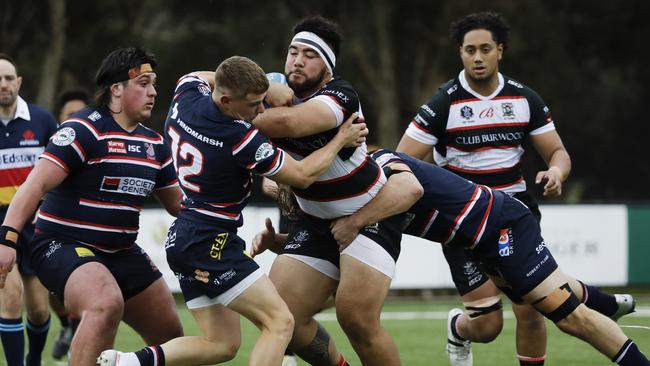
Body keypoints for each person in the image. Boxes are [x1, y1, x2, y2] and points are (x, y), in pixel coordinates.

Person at [395, 11, 634, 366]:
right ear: (460, 53)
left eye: (485, 49)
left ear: (500, 51)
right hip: (463, 219)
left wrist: (556, 171)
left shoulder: (524, 100)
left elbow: (557, 152)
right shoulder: (443, 103)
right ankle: (461, 328)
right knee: (488, 325)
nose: (477, 57)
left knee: (533, 307)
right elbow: (403, 161)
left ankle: (601, 303)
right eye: (469, 50)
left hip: (514, 212)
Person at [96, 55, 367, 366]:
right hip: (211, 241)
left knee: (220, 345)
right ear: (226, 100)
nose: (261, 111)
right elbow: (303, 174)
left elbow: (198, 73)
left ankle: (128, 362)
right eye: (254, 104)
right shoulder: (240, 138)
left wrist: (263, 86)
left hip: (183, 239)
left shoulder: (185, 97)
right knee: (280, 322)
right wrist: (340, 140)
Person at [325, 148, 650, 366]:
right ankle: (607, 303)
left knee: (568, 315)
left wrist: (353, 223)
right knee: (495, 321)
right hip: (479, 245)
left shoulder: (382, 164)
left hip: (504, 226)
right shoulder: (353, 197)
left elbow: (410, 190)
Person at [0, 47, 184, 366]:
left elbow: (180, 205)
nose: (153, 91)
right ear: (116, 89)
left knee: (174, 340)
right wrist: (7, 239)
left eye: (154, 83)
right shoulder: (84, 128)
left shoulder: (155, 144)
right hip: (63, 245)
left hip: (122, 252)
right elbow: (36, 184)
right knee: (104, 302)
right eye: (143, 83)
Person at [252, 16, 406, 366]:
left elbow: (293, 123)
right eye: (293, 52)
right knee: (280, 315)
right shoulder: (272, 101)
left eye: (310, 54)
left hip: (368, 214)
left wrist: (234, 114)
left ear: (328, 67)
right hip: (316, 221)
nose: (297, 60)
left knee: (357, 320)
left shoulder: (340, 94)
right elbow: (268, 175)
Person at [0, 53, 56, 366]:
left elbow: (66, 169)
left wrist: (48, 205)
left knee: (38, 309)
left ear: (19, 82)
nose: (3, 85)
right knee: (9, 299)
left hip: (36, 225)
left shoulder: (44, 121)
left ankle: (34, 358)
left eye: (9, 78)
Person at [48, 88, 89, 360]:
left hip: (89, 234)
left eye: (80, 114)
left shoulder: (98, 142)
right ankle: (67, 326)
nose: (76, 119)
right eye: (69, 115)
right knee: (50, 295)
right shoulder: (53, 145)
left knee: (89, 294)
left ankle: (79, 335)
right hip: (54, 232)